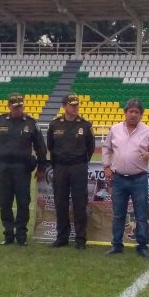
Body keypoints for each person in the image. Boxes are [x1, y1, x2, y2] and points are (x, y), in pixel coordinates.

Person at [102, 99, 149, 259]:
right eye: (130, 111)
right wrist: (106, 167)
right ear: (125, 112)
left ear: (141, 115)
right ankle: (116, 245)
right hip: (118, 179)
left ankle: (142, 246)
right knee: (118, 214)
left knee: (141, 215)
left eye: (137, 112)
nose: (133, 114)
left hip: (139, 179)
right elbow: (106, 148)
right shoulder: (114, 129)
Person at [0, 93, 47, 246]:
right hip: (4, 168)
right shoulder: (1, 120)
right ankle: (8, 234)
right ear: (9, 106)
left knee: (23, 201)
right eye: (15, 107)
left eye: (20, 106)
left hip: (22, 168)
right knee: (4, 201)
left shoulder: (30, 123)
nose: (18, 109)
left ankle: (21, 235)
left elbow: (40, 147)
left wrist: (41, 167)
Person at [47, 94, 95, 249]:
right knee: (60, 202)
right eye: (71, 104)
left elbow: (91, 147)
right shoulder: (55, 125)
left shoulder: (85, 125)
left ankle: (80, 239)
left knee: (80, 203)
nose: (75, 107)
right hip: (60, 167)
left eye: (76, 105)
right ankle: (62, 237)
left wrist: (80, 161)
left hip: (78, 167)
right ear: (64, 106)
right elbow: (50, 146)